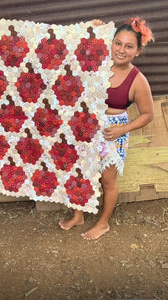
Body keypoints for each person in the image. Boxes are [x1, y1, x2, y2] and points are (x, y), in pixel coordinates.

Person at [59, 17, 154, 240]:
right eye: (118, 43)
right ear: (110, 43)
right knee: (80, 173)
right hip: (88, 125)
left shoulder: (137, 80)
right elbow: (69, 46)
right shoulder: (97, 61)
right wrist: (90, 28)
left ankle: (103, 223)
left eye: (129, 46)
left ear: (137, 51)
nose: (121, 50)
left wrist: (123, 129)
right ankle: (78, 216)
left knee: (107, 180)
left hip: (114, 131)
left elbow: (148, 115)